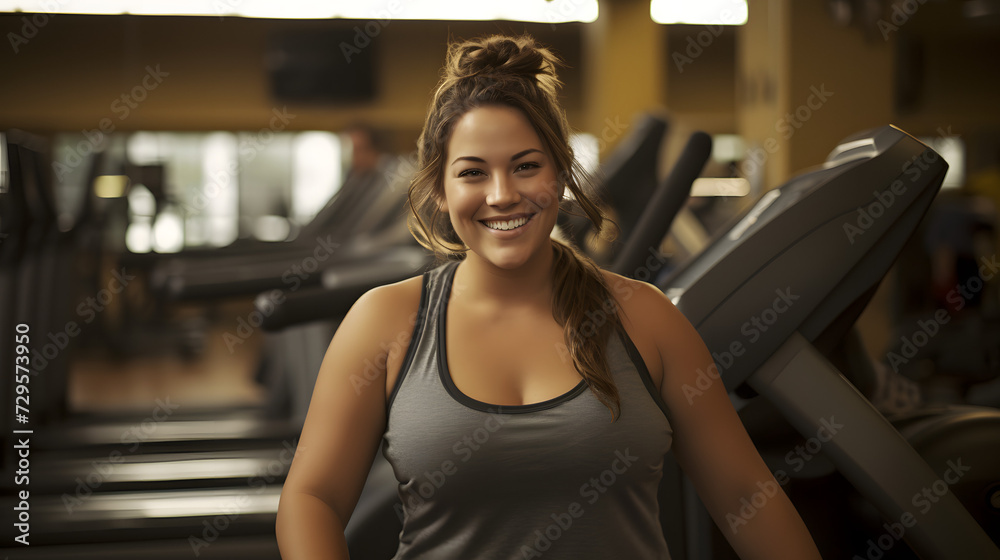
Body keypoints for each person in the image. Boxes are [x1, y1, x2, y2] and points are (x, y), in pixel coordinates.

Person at [275, 34, 822, 560]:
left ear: (559, 173)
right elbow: (311, 499)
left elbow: (744, 495)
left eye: (526, 165)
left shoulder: (646, 318)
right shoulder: (385, 320)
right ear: (440, 189)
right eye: (472, 173)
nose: (501, 194)